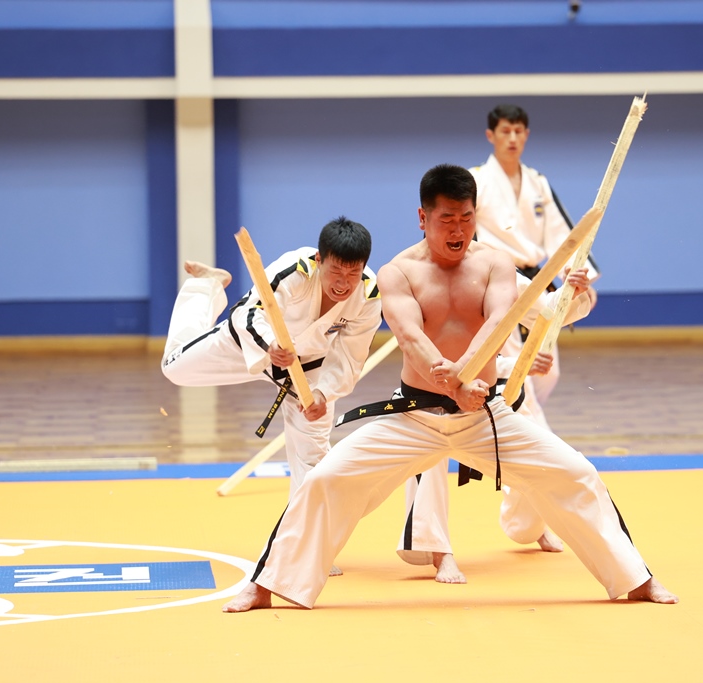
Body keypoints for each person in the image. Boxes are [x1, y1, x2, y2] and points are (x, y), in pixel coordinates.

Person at [223, 164, 676, 612]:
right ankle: (267, 585)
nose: (458, 230)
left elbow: (500, 320)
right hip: (414, 415)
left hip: (484, 415)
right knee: (324, 480)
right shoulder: (399, 272)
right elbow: (411, 337)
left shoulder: (495, 264)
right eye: (447, 219)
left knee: (576, 473)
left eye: (466, 218)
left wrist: (465, 379)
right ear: (423, 218)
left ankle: (635, 579)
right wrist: (454, 379)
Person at [161, 217, 382, 577]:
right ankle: (207, 286)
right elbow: (247, 313)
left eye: (352, 274)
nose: (343, 283)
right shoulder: (293, 270)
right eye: (336, 272)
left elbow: (350, 356)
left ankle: (310, 548)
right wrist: (269, 345)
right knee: (174, 367)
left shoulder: (369, 295)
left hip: (308, 369)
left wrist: (323, 393)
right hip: (251, 344)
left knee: (313, 457)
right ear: (319, 260)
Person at [394, 265, 595, 580]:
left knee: (536, 453)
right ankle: (437, 550)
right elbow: (417, 348)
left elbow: (547, 311)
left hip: (495, 384)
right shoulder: (412, 276)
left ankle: (528, 525)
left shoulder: (498, 269)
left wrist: (572, 290)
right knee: (425, 452)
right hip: (431, 388)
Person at [469, 103, 599, 406]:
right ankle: (514, 419)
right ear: (491, 135)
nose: (512, 138)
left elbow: (561, 234)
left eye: (518, 131)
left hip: (536, 282)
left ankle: (520, 419)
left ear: (526, 134)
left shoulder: (537, 182)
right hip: (494, 282)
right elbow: (463, 232)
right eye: (505, 131)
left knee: (546, 371)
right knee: (513, 367)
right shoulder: (476, 180)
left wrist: (579, 277)